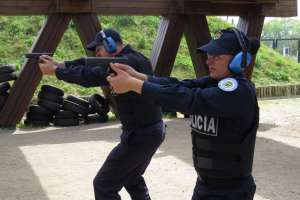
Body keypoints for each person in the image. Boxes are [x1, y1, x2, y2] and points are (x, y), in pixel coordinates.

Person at [107, 28, 260, 200]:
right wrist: (140, 77)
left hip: (231, 191)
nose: (209, 61)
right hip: (205, 185)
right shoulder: (212, 82)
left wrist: (134, 85)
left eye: (217, 56)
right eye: (209, 55)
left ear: (240, 60)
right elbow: (178, 86)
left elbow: (188, 99)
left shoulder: (239, 91)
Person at [38, 28, 165, 200]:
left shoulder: (128, 62)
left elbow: (91, 75)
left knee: (103, 185)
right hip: (148, 131)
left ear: (110, 45)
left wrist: (56, 72)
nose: (97, 55)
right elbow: (87, 64)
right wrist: (60, 64)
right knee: (132, 178)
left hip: (141, 134)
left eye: (99, 50)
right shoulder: (132, 58)